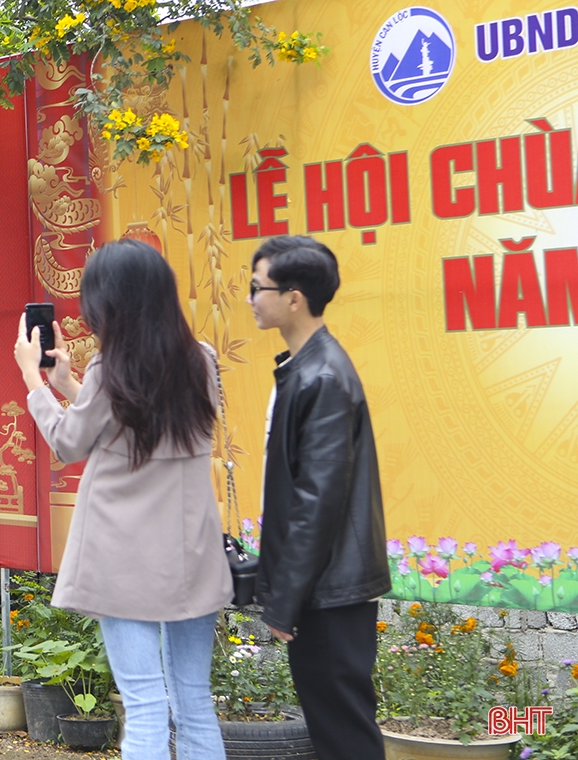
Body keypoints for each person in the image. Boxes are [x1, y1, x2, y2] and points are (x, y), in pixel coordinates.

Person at [14, 239, 231, 760]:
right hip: (191, 554)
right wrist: (70, 383)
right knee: (194, 702)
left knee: (145, 704)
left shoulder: (111, 371)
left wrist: (33, 379)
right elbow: (136, 426)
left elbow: (72, 442)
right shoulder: (201, 360)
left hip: (124, 556)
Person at [247, 235, 391, 760]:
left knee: (344, 734)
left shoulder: (323, 375)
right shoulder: (304, 366)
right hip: (324, 587)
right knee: (335, 730)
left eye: (257, 287)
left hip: (331, 591)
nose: (251, 298)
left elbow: (318, 502)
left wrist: (284, 601)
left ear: (294, 297)